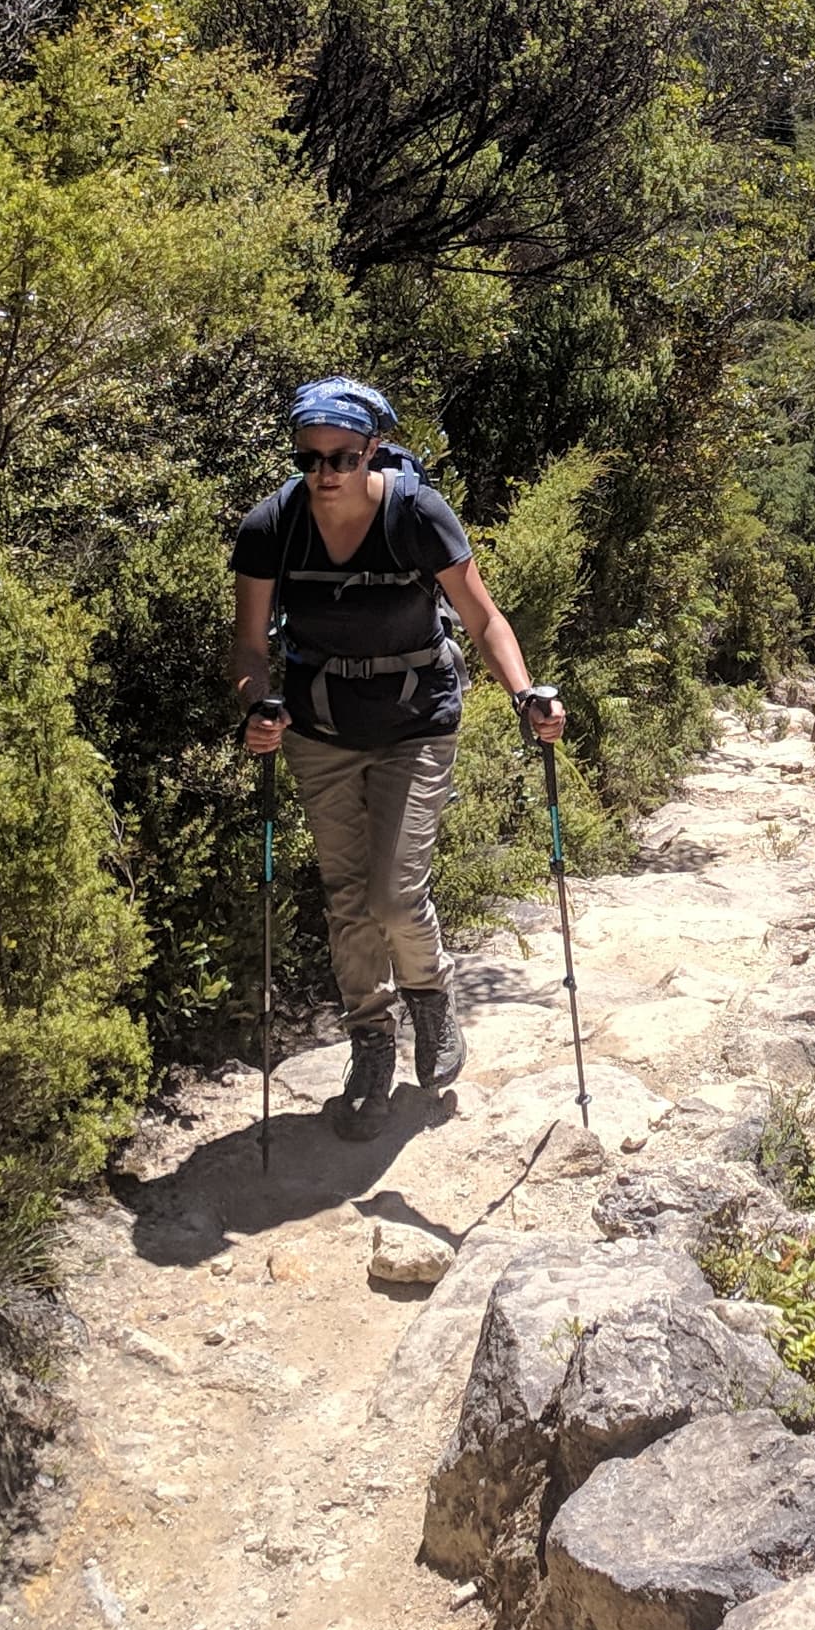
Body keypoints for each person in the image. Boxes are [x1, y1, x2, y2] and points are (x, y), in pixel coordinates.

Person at [231, 378, 565, 1137]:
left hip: (417, 721)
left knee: (392, 894)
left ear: (373, 449)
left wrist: (524, 695)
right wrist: (257, 706)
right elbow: (250, 644)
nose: (324, 474)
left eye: (342, 458)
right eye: (310, 458)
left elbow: (482, 618)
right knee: (346, 897)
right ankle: (370, 1043)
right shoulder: (271, 526)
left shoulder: (417, 514)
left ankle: (431, 996)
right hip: (320, 727)